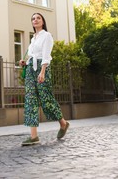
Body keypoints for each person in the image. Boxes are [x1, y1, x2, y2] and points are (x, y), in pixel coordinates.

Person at [19, 13, 69, 146]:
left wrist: (42, 72)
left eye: (38, 18)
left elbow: (46, 56)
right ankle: (34, 136)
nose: (35, 20)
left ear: (42, 22)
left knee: (46, 99)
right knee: (30, 99)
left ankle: (63, 124)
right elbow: (32, 55)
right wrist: (25, 62)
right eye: (33, 19)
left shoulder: (47, 36)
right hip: (30, 69)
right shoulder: (33, 38)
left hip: (42, 68)